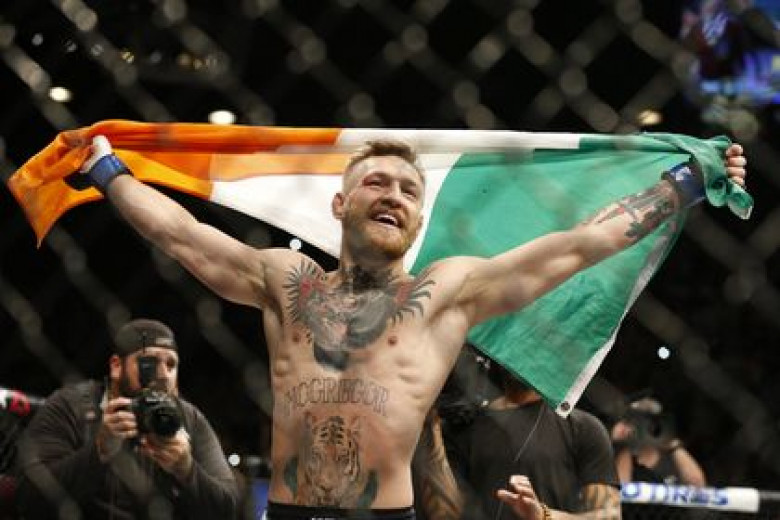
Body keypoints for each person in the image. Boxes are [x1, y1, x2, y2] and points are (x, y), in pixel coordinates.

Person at [74, 133, 746, 519]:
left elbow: (578, 245)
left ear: (419, 221)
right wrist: (105, 168)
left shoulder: (448, 291)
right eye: (377, 183)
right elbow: (182, 234)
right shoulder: (284, 280)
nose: (393, 195)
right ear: (340, 203)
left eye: (408, 190)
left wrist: (683, 184)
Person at [15, 318, 241, 519]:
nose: (163, 374)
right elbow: (27, 499)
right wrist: (98, 452)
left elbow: (229, 508)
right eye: (149, 363)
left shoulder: (189, 419)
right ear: (116, 366)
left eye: (171, 364)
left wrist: (187, 471)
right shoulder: (71, 407)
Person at [418, 347, 621, 520]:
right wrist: (429, 423)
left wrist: (543, 515)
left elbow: (609, 516)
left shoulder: (583, 427)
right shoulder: (461, 428)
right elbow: (444, 515)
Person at [611, 397, 707, 487]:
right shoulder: (622, 456)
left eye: (649, 424)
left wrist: (671, 442)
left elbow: (698, 486)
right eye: (634, 421)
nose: (642, 428)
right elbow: (620, 490)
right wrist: (623, 444)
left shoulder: (673, 458)